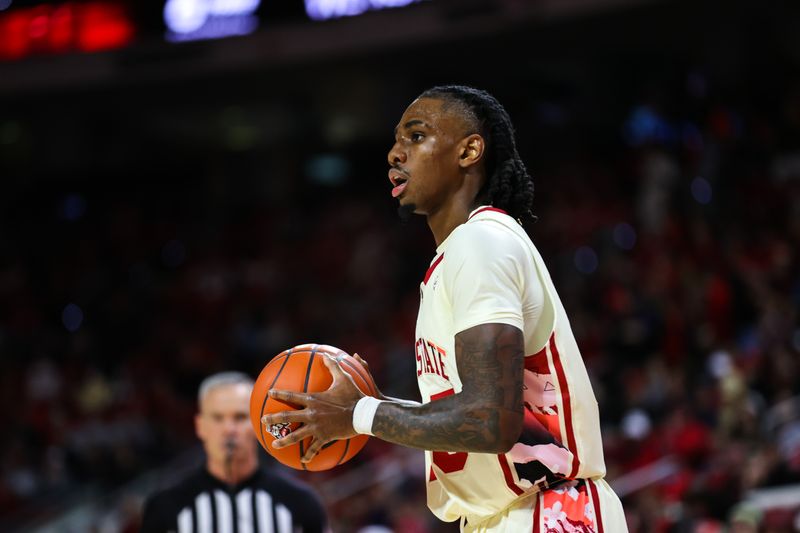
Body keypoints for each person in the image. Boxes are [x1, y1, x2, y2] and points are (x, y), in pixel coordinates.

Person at [261, 85, 627, 532]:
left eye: (416, 136)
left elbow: (490, 421)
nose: (396, 153)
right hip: (501, 517)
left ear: (470, 150)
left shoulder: (482, 241)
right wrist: (371, 405)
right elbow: (475, 412)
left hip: (550, 513)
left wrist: (361, 414)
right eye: (395, 140)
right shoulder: (455, 256)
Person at [141, 372, 328, 533]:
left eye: (240, 417)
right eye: (217, 418)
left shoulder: (300, 502)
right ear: (200, 426)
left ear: (258, 424)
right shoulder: (165, 508)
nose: (229, 429)